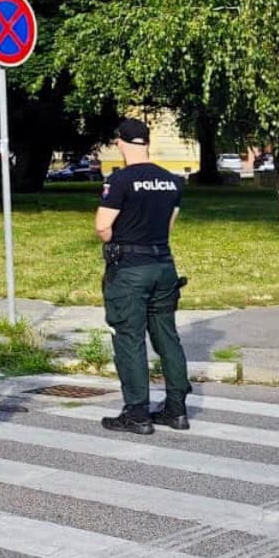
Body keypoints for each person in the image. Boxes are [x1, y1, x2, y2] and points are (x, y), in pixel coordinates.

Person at [96, 118, 191, 433]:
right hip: (164, 265)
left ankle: (137, 413)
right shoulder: (173, 181)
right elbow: (168, 228)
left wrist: (117, 238)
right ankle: (176, 410)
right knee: (167, 336)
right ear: (146, 143)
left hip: (130, 271)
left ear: (121, 142)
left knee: (130, 338)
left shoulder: (120, 181)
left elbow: (102, 228)